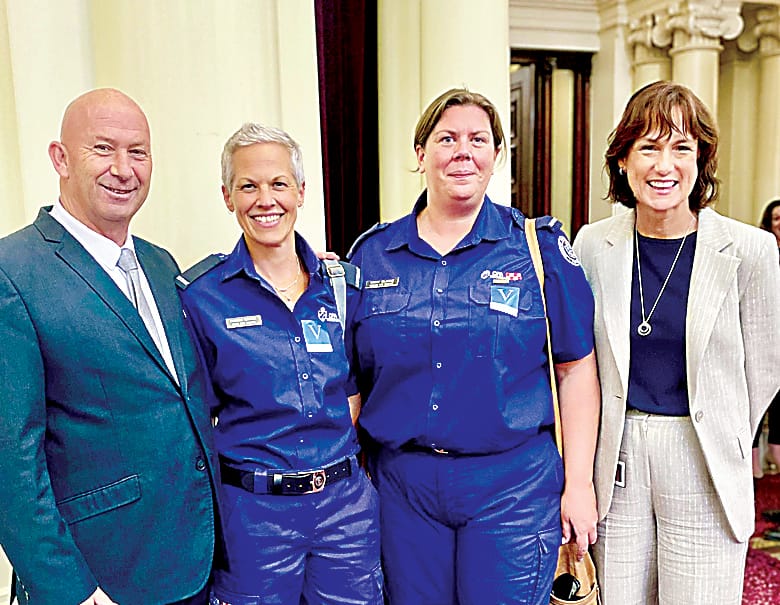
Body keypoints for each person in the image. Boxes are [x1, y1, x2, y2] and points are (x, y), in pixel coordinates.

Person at [345, 88, 600, 604]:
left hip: (512, 486)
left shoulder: (538, 247)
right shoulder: (372, 256)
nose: (463, 151)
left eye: (477, 139)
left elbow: (576, 371)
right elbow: (350, 379)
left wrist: (580, 484)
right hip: (403, 489)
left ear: (495, 156)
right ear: (421, 155)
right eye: (446, 139)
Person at [0, 89, 217, 605]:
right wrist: (70, 590)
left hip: (191, 561)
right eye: (103, 148)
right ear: (60, 158)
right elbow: (10, 456)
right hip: (100, 577)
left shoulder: (162, 264)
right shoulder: (13, 271)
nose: (124, 168)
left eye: (138, 151)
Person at [573, 81, 780, 604]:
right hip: (616, 457)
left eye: (681, 147)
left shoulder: (749, 250)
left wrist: (723, 432)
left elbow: (765, 368)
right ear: (622, 160)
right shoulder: (593, 244)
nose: (664, 165)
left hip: (702, 454)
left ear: (701, 159)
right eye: (648, 146)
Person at [177, 123, 382, 605]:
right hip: (254, 516)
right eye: (248, 185)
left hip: (345, 513)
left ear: (301, 192)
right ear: (228, 197)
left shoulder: (341, 286)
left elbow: (358, 389)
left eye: (278, 184)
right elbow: (198, 416)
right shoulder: (201, 297)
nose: (264, 199)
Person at [752, 199, 780, 478]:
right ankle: (755, 479)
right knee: (755, 417)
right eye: (776, 218)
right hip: (764, 344)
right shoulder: (758, 254)